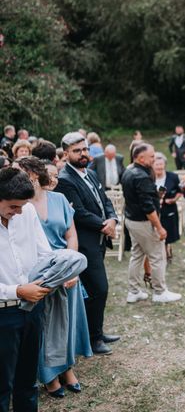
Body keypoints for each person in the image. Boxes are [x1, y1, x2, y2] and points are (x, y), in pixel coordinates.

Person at [15, 157, 92, 398]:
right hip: (39, 275)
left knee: (66, 325)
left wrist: (72, 268)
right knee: (44, 326)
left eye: (19, 172)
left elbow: (71, 234)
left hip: (65, 270)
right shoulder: (20, 205)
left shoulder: (58, 199)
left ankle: (67, 369)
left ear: (33, 175)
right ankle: (48, 375)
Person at [55, 132, 120, 355]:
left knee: (96, 290)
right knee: (98, 289)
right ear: (65, 154)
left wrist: (112, 218)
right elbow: (79, 213)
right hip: (84, 244)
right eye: (77, 151)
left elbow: (106, 201)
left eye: (84, 149)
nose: (83, 154)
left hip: (100, 240)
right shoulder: (65, 180)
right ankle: (93, 339)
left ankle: (97, 332)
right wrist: (104, 225)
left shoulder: (91, 173)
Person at [0, 168, 53, 412]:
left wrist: (52, 276)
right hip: (3, 314)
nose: (19, 212)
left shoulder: (27, 211)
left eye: (22, 206)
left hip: (33, 308)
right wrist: (18, 291)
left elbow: (44, 254)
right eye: (13, 207)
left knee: (27, 382)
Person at [123, 143, 181, 304]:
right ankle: (160, 292)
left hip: (131, 220)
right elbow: (147, 207)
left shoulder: (128, 171)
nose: (154, 159)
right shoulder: (141, 176)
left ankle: (133, 291)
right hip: (143, 222)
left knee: (137, 255)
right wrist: (159, 227)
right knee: (158, 256)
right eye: (151, 157)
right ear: (141, 158)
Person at [153, 153, 181, 262]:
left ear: (164, 165)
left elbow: (179, 191)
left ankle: (166, 251)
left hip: (168, 209)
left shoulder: (172, 177)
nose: (159, 167)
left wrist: (174, 199)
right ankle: (160, 253)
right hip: (154, 210)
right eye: (157, 164)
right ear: (153, 165)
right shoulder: (149, 177)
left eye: (161, 164)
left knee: (167, 233)